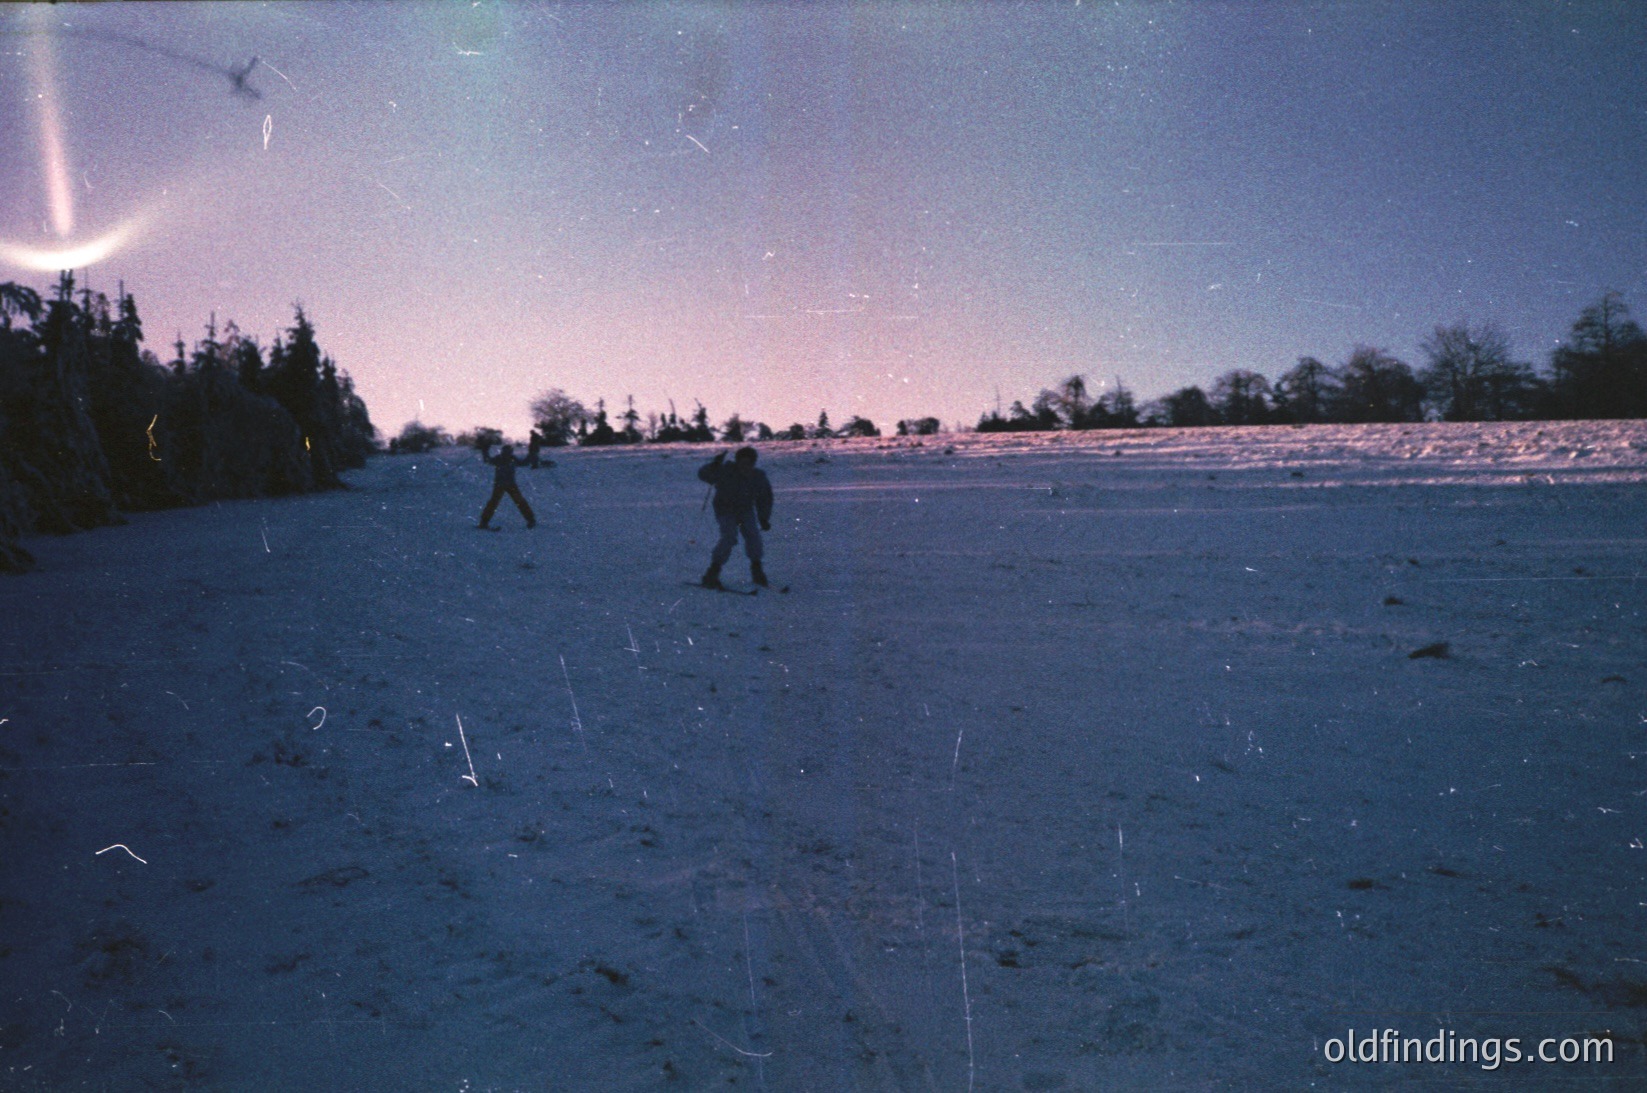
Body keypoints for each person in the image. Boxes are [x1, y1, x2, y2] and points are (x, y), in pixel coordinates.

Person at [698, 446, 773, 588]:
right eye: (743, 463)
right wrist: (714, 465)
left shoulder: (758, 477)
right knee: (729, 537)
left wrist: (763, 518)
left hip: (745, 510)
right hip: (725, 510)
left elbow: (765, 498)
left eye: (749, 463)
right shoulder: (725, 471)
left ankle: (757, 570)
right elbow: (703, 475)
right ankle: (712, 573)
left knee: (754, 537)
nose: (746, 467)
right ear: (737, 462)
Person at [477, 442, 536, 529]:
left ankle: (531, 520)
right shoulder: (499, 459)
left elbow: (524, 463)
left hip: (509, 484)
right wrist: (485, 451)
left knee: (518, 502)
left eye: (508, 452)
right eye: (505, 452)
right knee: (495, 503)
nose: (506, 454)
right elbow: (487, 460)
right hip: (501, 484)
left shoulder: (511, 459)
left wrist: (531, 454)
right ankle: (484, 522)